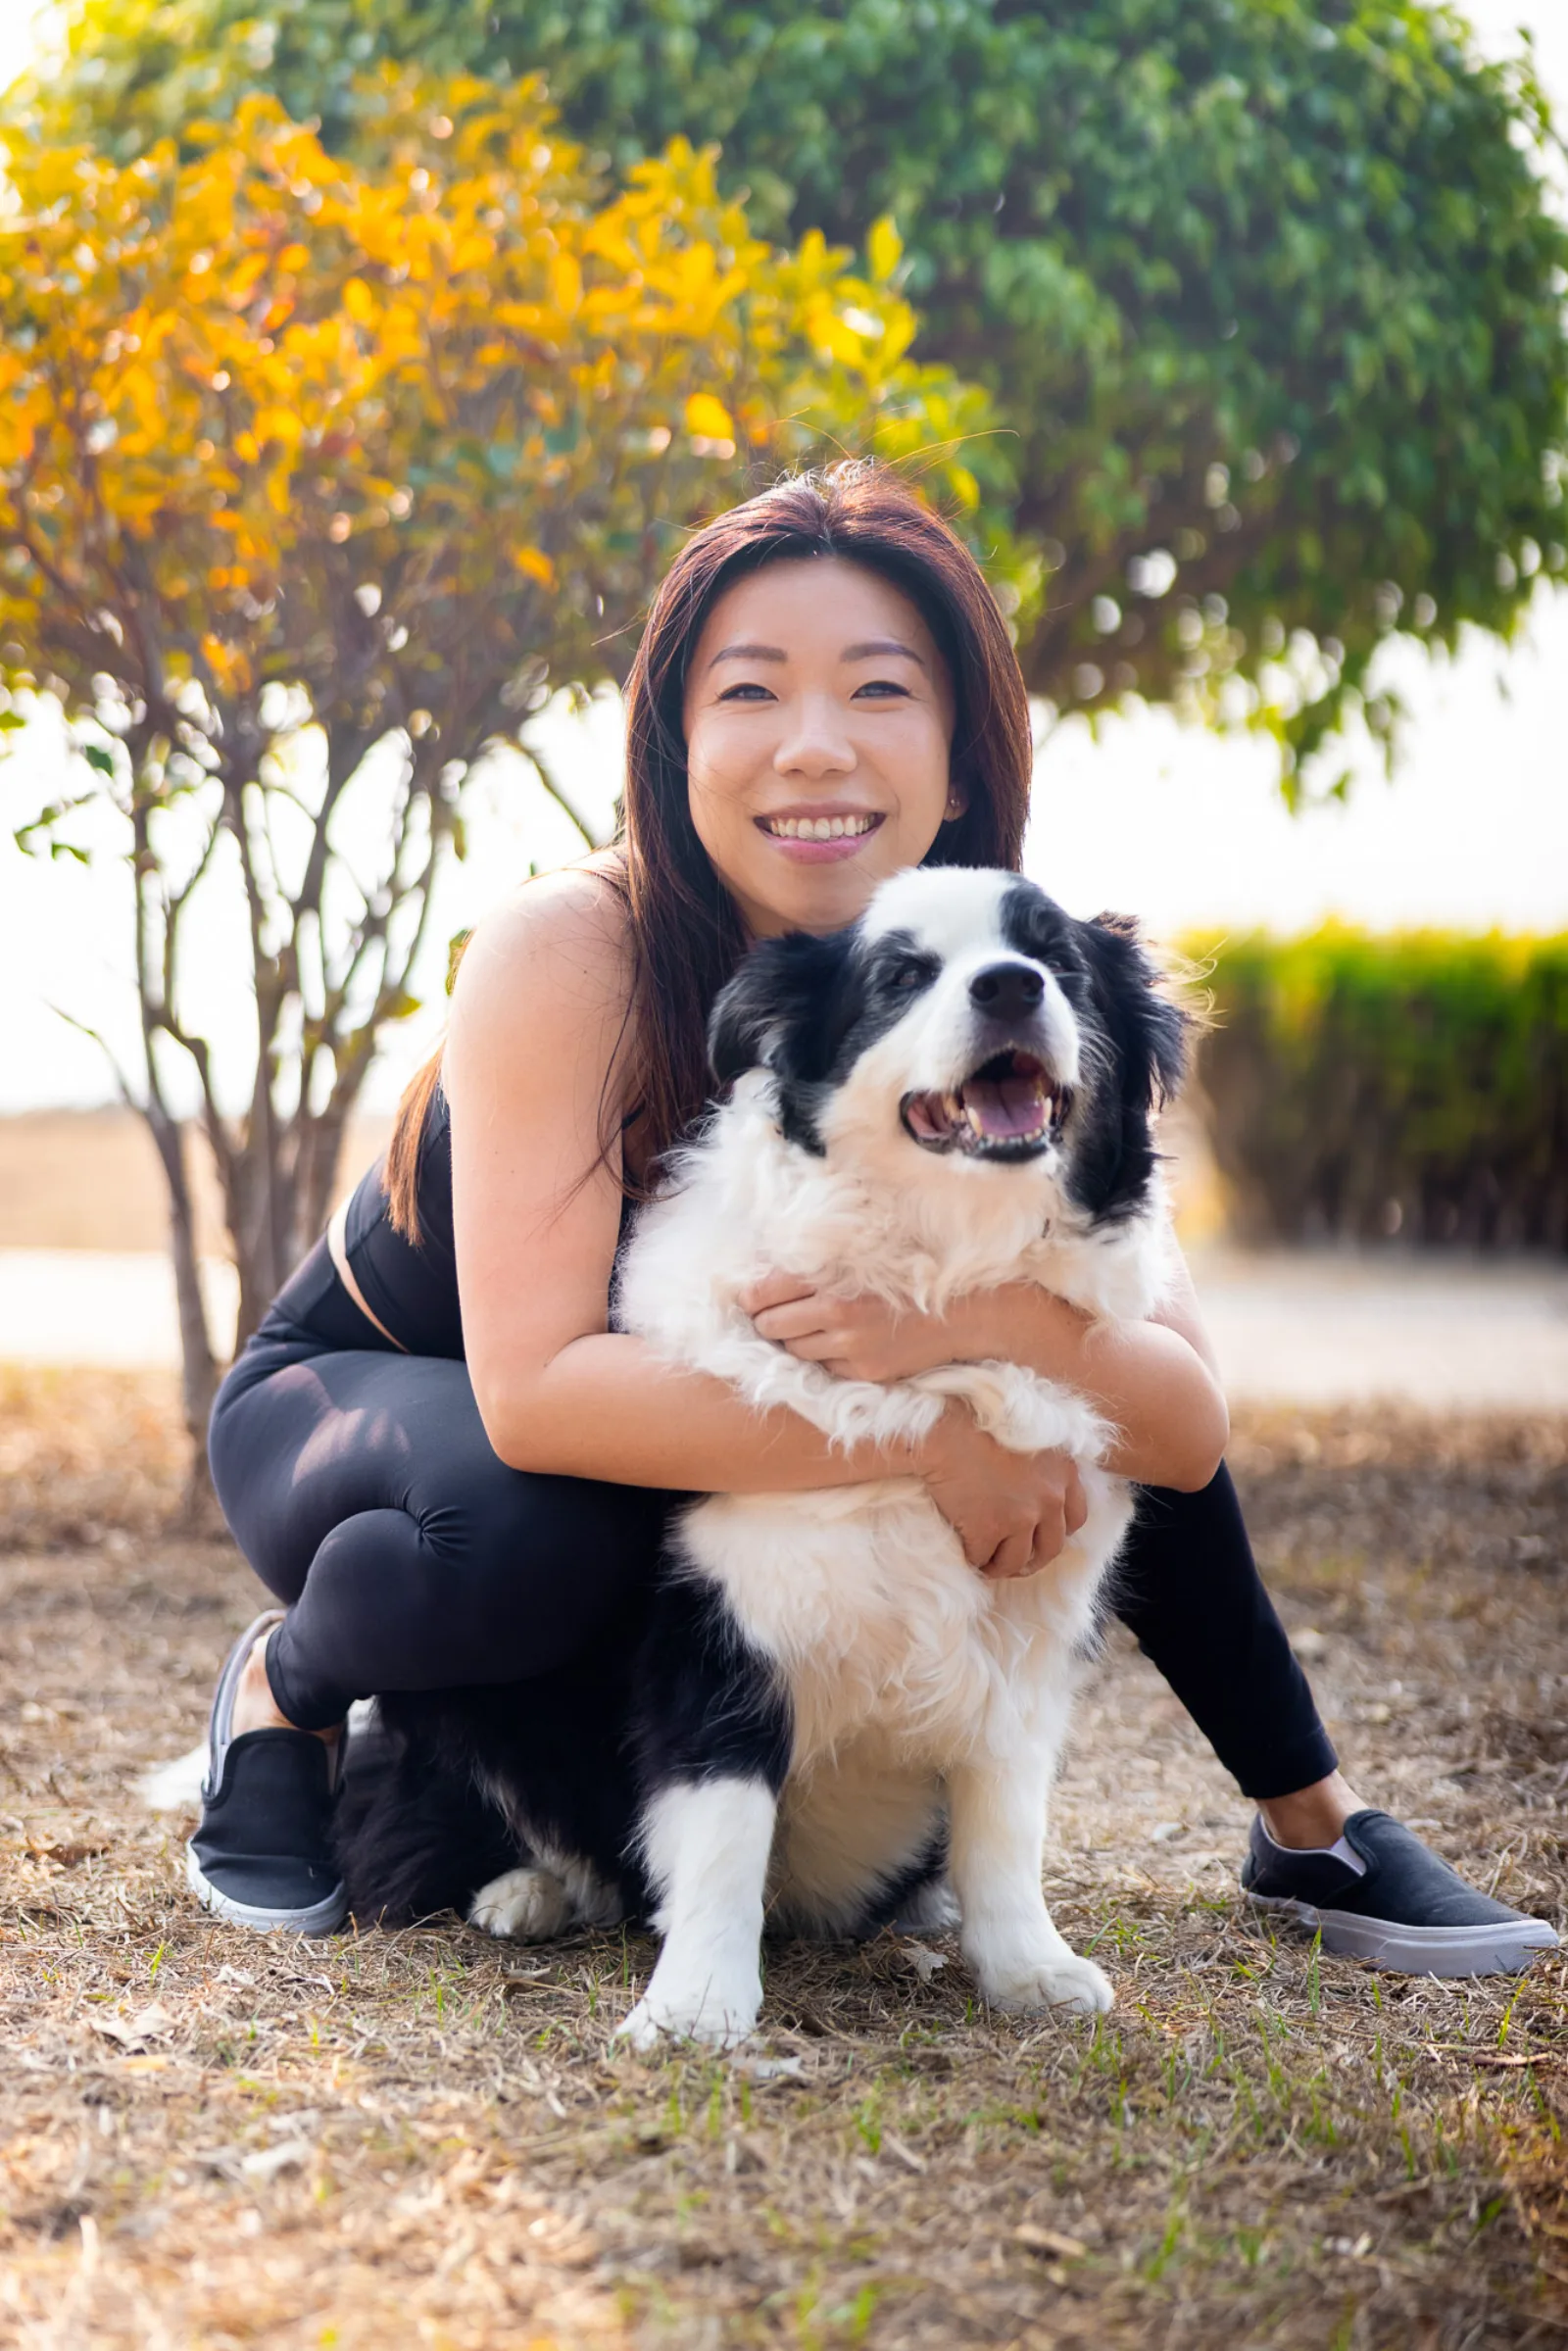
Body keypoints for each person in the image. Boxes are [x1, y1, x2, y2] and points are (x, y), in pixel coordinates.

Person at [190, 464, 1556, 1980]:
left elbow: (1175, 1423)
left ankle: (1314, 1824)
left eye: (879, 688)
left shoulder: (1009, 979)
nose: (815, 744)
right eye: (752, 690)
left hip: (676, 1413)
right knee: (538, 1530)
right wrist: (937, 1439)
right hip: (392, 1401)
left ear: (960, 754)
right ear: (676, 743)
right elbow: (542, 1395)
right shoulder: (573, 945)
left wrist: (977, 1327)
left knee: (1060, 1380)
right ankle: (288, 1688)